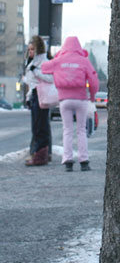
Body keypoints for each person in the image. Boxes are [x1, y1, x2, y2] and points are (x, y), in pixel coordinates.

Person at [42, 36, 99, 172]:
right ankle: (84, 160)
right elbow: (94, 80)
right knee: (81, 131)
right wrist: (91, 95)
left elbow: (44, 68)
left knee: (67, 130)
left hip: (64, 100)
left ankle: (68, 160)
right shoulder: (84, 61)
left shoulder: (59, 61)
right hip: (81, 99)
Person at [23, 36, 54, 166]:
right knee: (37, 126)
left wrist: (35, 72)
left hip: (41, 94)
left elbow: (50, 78)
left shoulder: (43, 62)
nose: (30, 52)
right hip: (34, 94)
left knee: (41, 125)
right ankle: (39, 153)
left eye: (32, 49)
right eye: (29, 49)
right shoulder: (31, 62)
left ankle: (41, 155)